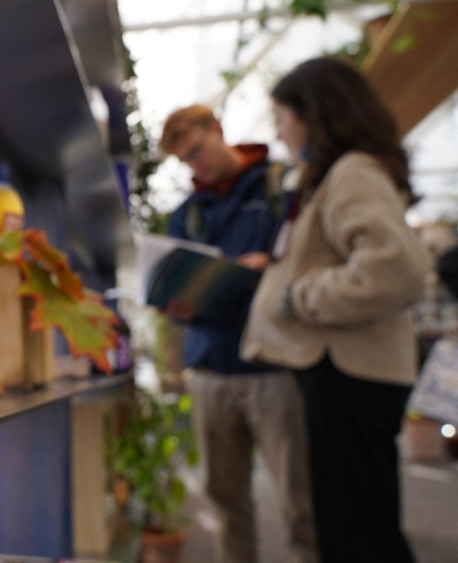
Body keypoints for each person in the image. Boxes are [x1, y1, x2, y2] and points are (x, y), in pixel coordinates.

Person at [241, 57, 429, 563]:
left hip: (348, 377)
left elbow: (397, 269)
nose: (278, 134)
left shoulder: (352, 172)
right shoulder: (341, 175)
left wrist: (296, 296)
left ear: (314, 113)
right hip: (347, 374)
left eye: (281, 118)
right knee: (357, 525)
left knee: (359, 535)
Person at [159, 105, 316, 563]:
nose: (196, 163)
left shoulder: (280, 186)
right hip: (210, 371)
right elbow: (176, 290)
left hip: (274, 367)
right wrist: (178, 304)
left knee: (299, 500)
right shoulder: (186, 216)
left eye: (197, 149)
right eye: (185, 159)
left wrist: (268, 270)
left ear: (218, 131)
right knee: (226, 501)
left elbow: (307, 258)